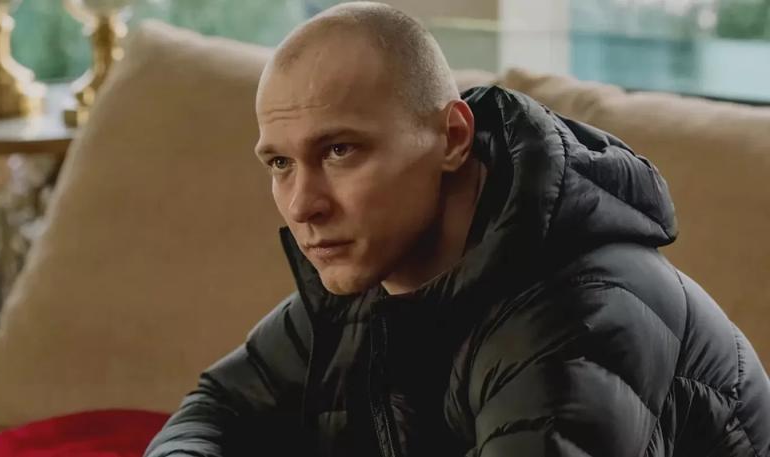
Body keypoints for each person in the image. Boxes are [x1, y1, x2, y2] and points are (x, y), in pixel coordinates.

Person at [144, 2, 770, 456]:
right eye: (280, 163)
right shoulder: (374, 271)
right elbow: (218, 409)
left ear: (451, 137)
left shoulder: (578, 321)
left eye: (340, 150)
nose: (303, 205)